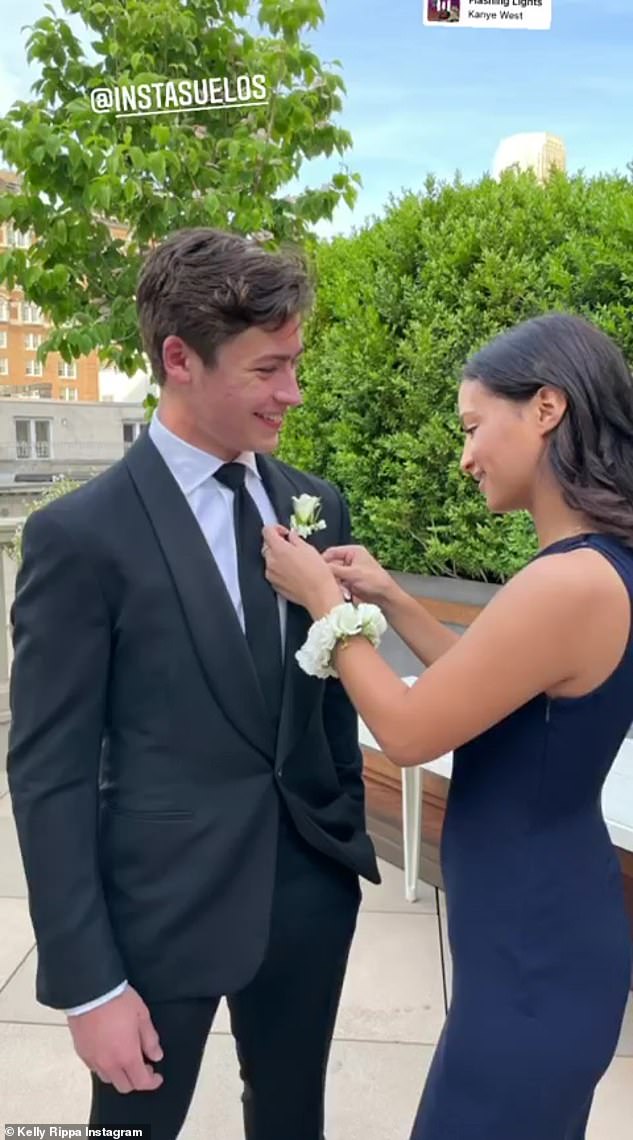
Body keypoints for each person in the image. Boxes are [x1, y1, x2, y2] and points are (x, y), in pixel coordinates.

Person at [7, 227, 379, 1140]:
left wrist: (338, 835)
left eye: (295, 364)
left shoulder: (315, 503)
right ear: (179, 359)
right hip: (157, 913)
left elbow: (327, 702)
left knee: (291, 1120)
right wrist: (88, 983)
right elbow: (49, 772)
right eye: (267, 369)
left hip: (307, 897)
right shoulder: (80, 537)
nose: (292, 392)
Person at [262, 311, 633, 1140]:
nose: (464, 457)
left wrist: (323, 603)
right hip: (542, 929)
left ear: (545, 408)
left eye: (471, 426)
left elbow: (407, 732)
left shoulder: (569, 582)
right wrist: (392, 599)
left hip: (531, 955)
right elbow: (494, 692)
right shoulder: (598, 567)